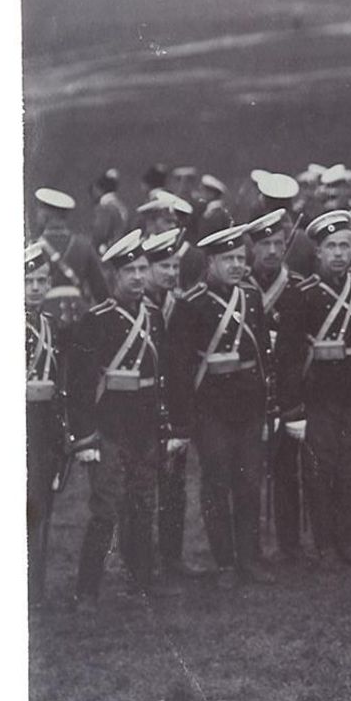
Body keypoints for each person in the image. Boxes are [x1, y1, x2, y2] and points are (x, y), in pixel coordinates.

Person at [63, 230, 184, 604]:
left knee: (143, 502)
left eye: (142, 268)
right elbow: (81, 385)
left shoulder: (153, 315)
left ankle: (142, 581)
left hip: (144, 426)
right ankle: (87, 589)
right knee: (106, 506)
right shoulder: (96, 319)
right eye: (128, 269)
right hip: (109, 426)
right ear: (113, 276)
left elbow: (160, 374)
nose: (137, 277)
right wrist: (84, 438)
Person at [167, 224, 275, 586]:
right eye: (227, 259)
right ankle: (225, 563)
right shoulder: (190, 304)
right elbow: (181, 368)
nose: (236, 266)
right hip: (210, 408)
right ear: (210, 262)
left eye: (240, 259)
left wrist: (266, 401)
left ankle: (248, 558)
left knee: (248, 483)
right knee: (216, 483)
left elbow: (260, 353)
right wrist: (183, 420)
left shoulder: (252, 297)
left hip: (247, 405)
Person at [274, 209, 351, 566]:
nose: (338, 253)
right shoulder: (300, 295)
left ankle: (350, 537)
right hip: (318, 393)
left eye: (345, 246)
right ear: (317, 252)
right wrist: (292, 410)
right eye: (331, 246)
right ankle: (324, 544)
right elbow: (288, 358)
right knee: (321, 471)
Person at [247, 208, 306, 561]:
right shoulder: (240, 290)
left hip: (287, 392)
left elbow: (299, 350)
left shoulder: (296, 289)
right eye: (264, 244)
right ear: (251, 248)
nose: (272, 251)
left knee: (287, 471)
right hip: (248, 397)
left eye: (278, 243)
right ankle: (250, 548)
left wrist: (293, 402)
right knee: (250, 475)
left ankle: (290, 544)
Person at [142, 228, 198, 578]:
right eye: (163, 266)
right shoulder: (138, 307)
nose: (171, 273)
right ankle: (142, 564)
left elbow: (186, 364)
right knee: (142, 489)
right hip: (142, 410)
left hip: (176, 408)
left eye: (175, 266)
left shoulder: (182, 307)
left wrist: (183, 418)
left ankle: (172, 557)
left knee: (174, 487)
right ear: (145, 268)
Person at [26, 242, 67, 603]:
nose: (36, 288)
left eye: (41, 280)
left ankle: (35, 587)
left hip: (43, 427)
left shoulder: (50, 324)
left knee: (39, 505)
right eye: (28, 281)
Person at [31, 187, 108, 317]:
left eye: (39, 211)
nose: (37, 216)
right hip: (80, 314)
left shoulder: (33, 247)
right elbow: (101, 292)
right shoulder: (84, 245)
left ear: (46, 215)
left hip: (46, 315)